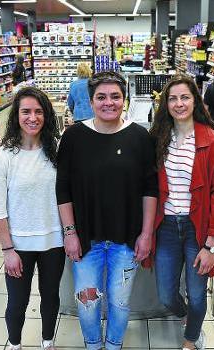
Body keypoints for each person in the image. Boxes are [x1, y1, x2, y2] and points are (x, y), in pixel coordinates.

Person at [56, 71, 158, 350]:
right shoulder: (74, 137)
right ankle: (92, 345)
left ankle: (113, 346)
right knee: (87, 302)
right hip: (86, 239)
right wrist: (69, 233)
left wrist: (146, 234)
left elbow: (151, 189)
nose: (108, 103)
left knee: (120, 301)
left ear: (124, 100)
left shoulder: (139, 137)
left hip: (127, 239)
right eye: (101, 97)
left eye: (115, 96)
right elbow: (62, 188)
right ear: (90, 101)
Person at [148, 75, 214, 350]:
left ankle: (191, 340)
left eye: (185, 97)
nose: (179, 103)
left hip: (199, 230)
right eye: (172, 98)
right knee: (166, 294)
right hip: (168, 227)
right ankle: (187, 317)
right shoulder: (159, 139)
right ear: (166, 104)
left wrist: (211, 244)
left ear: (195, 101)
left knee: (197, 295)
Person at [0, 87, 64, 350]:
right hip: (18, 244)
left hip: (54, 240)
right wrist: (7, 249)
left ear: (46, 115)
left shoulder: (57, 150)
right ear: (16, 116)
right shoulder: (3, 157)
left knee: (51, 296)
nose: (33, 117)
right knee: (17, 301)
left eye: (38, 111)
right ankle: (15, 343)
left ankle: (47, 341)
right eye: (26, 112)